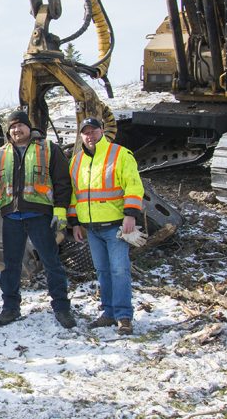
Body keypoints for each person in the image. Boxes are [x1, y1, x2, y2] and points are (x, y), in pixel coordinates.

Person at [0, 110, 76, 329]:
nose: (16, 130)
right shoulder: (1, 154)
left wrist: (61, 212)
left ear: (28, 127)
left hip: (40, 216)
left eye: (20, 126)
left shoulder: (48, 149)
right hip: (11, 217)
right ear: (8, 131)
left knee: (51, 262)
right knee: (10, 265)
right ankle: (10, 308)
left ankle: (61, 307)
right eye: (12, 127)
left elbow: (62, 182)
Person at [68, 117, 145, 336]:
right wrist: (75, 223)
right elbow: (74, 195)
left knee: (119, 270)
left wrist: (130, 215)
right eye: (85, 132)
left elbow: (133, 186)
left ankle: (123, 316)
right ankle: (109, 312)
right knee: (102, 271)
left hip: (116, 226)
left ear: (102, 131)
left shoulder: (120, 154)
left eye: (93, 131)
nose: (89, 136)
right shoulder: (76, 161)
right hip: (91, 228)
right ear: (81, 135)